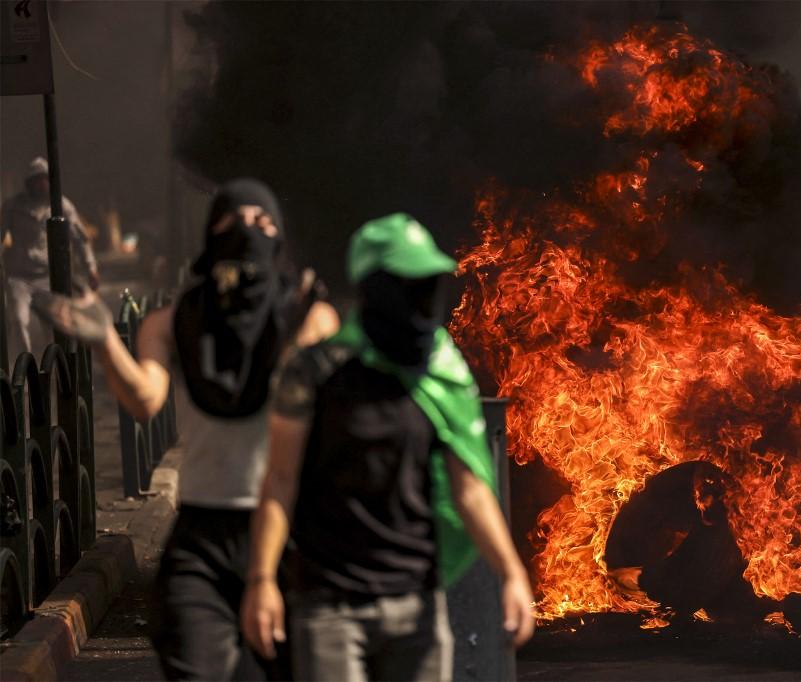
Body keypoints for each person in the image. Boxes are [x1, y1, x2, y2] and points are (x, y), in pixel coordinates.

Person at [34, 179, 339, 680]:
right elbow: (145, 399)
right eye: (235, 221)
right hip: (204, 537)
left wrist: (291, 333)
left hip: (292, 533)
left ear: (280, 238)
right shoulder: (174, 321)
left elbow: (299, 397)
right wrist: (106, 340)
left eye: (263, 224)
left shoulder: (309, 315)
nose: (249, 231)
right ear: (212, 233)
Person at [240, 213, 535, 681]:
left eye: (427, 285)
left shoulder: (440, 371)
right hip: (330, 604)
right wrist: (260, 581)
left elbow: (471, 489)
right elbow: (279, 480)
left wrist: (511, 573)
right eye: (407, 284)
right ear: (374, 287)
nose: (420, 300)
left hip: (417, 602)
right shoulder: (315, 373)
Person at [2, 156, 99, 357]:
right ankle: (26, 372)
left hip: (50, 276)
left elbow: (80, 239)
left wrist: (90, 267)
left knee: (54, 329)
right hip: (20, 277)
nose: (41, 184)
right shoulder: (13, 206)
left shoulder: (62, 206)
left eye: (44, 179)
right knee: (18, 320)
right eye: (36, 179)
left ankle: (55, 372)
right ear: (29, 183)